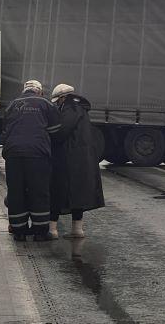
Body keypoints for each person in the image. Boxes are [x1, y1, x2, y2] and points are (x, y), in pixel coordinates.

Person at [2, 80, 60, 241]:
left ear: (24, 91)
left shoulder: (13, 104)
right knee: (38, 191)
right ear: (39, 92)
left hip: (13, 154)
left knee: (16, 192)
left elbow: (5, 129)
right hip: (37, 154)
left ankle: (19, 230)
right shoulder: (46, 104)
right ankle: (40, 232)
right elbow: (55, 130)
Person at [48, 84, 105, 239]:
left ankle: (52, 229)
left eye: (58, 101)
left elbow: (61, 131)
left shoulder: (71, 109)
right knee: (79, 193)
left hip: (69, 157)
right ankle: (77, 229)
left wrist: (50, 135)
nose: (57, 104)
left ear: (63, 98)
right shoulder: (81, 109)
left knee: (57, 191)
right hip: (83, 158)